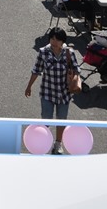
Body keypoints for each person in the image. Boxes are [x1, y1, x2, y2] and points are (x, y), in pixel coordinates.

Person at [24, 27, 80, 155]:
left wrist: (74, 79)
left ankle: (58, 144)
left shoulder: (69, 53)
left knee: (61, 119)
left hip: (64, 93)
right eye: (52, 39)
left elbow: (76, 69)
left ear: (63, 41)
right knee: (46, 119)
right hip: (47, 92)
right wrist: (29, 86)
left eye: (57, 39)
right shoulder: (43, 52)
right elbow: (36, 70)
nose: (54, 42)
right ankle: (44, 142)